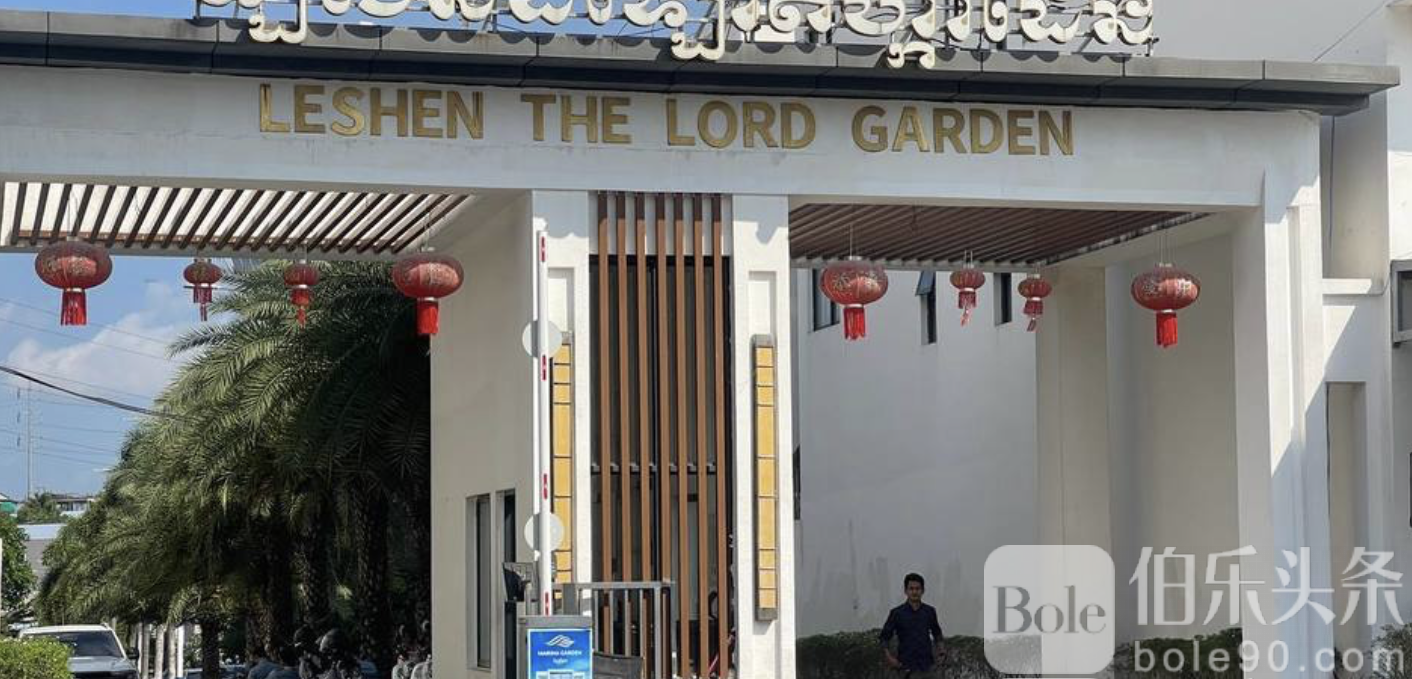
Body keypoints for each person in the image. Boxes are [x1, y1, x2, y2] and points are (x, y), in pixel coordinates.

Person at [879, 573, 945, 677]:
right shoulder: (897, 613)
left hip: (927, 666)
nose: (914, 592)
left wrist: (941, 651)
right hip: (905, 667)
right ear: (906, 591)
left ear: (923, 590)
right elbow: (884, 637)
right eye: (911, 589)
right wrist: (889, 658)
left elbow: (937, 633)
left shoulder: (930, 612)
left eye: (917, 589)